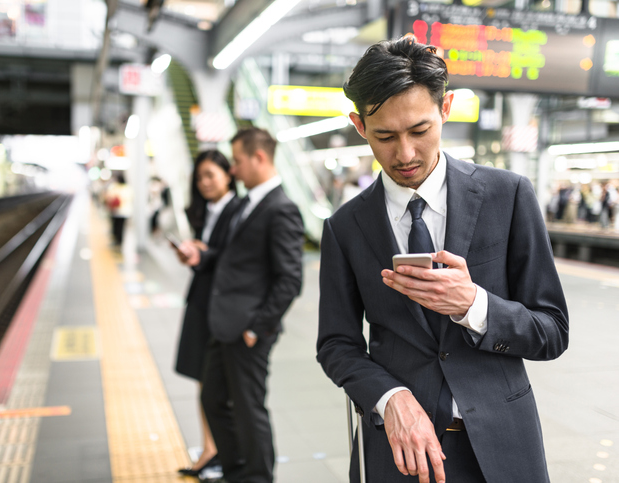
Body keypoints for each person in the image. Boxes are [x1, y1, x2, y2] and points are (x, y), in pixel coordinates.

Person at [316, 37, 569, 483]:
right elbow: (336, 343)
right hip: (399, 451)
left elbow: (551, 331)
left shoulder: (506, 196)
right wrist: (389, 397)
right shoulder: (345, 226)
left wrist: (475, 305)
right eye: (385, 136)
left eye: (419, 130)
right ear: (359, 125)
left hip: (503, 446)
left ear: (446, 107)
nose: (405, 154)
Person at [180, 127, 304, 483]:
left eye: (236, 161)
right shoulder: (249, 203)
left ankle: (257, 477)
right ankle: (236, 473)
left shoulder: (281, 209)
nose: (232, 170)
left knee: (249, 410)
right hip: (225, 325)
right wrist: (201, 257)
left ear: (259, 158)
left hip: (247, 329)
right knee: (214, 401)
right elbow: (234, 258)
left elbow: (290, 280)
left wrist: (256, 327)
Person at [172, 150, 241, 477]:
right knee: (203, 378)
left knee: (215, 383)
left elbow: (230, 258)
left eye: (211, 175)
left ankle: (217, 451)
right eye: (200, 177)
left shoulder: (238, 209)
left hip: (221, 307)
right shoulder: (208, 211)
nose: (204, 183)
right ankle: (210, 448)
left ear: (229, 174)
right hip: (202, 301)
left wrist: (202, 254)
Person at [104, 173, 132, 246]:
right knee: (121, 227)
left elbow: (109, 197)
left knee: (115, 226)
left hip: (116, 211)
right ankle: (120, 241)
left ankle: (116, 241)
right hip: (125, 211)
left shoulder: (114, 187)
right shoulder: (128, 188)